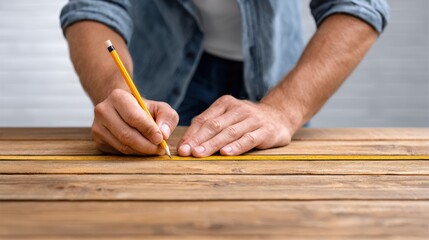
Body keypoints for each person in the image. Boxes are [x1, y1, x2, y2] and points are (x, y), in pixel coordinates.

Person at [60, 0, 389, 157]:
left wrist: (286, 109)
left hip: (279, 82)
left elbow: (359, 5)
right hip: (161, 82)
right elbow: (94, 9)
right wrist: (115, 90)